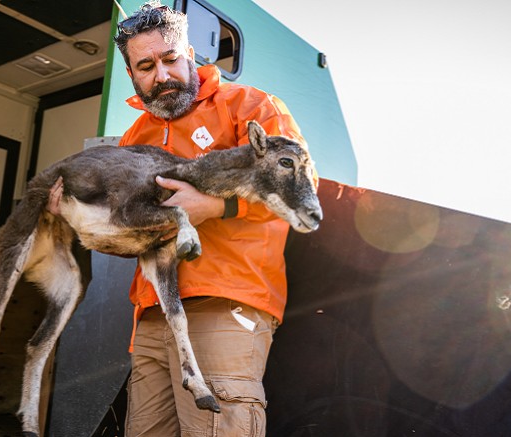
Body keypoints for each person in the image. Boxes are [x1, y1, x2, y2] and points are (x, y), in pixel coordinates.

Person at [50, 2, 314, 435]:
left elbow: (302, 188)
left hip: (225, 306)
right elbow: (125, 226)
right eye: (146, 66)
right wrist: (76, 215)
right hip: (153, 316)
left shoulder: (249, 105)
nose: (163, 74)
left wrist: (218, 206)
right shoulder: (135, 136)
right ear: (133, 75)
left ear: (191, 53)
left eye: (171, 59)